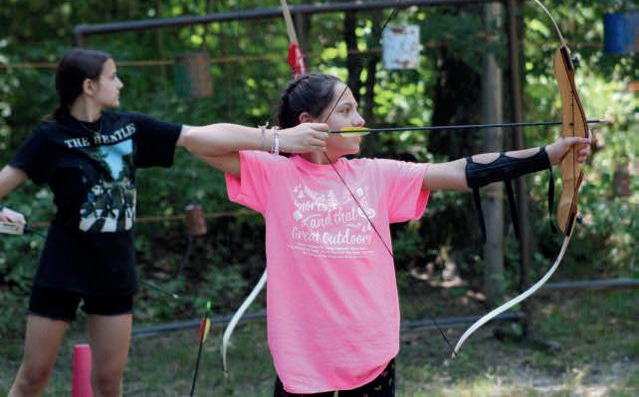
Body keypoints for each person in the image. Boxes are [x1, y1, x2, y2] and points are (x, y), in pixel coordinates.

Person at [183, 73, 592, 396]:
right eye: (346, 111)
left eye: (356, 109)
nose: (360, 120)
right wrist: (274, 139)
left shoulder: (377, 174)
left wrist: (547, 155)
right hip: (303, 365)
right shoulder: (275, 175)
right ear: (309, 124)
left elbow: (460, 171)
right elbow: (196, 141)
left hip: (371, 358)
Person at [0, 48, 328, 397]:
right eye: (112, 77)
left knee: (108, 383)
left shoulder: (129, 127)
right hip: (62, 267)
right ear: (89, 86)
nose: (120, 83)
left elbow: (196, 137)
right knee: (33, 377)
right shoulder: (50, 136)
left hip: (114, 269)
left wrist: (276, 140)